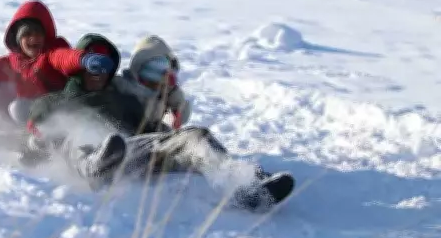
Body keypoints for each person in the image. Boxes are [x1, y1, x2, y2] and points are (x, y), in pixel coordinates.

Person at [20, 33, 281, 208]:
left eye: (106, 65)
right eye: (93, 64)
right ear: (79, 65)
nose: (99, 72)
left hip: (130, 151)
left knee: (194, 136)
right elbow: (36, 130)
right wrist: (32, 147)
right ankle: (93, 166)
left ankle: (242, 185)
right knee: (77, 130)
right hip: (90, 155)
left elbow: (156, 128)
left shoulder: (122, 98)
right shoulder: (54, 101)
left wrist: (177, 118)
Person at [113, 35, 192, 130]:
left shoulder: (164, 95)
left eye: (165, 75)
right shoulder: (121, 88)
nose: (157, 83)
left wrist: (177, 103)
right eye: (153, 72)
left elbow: (182, 118)